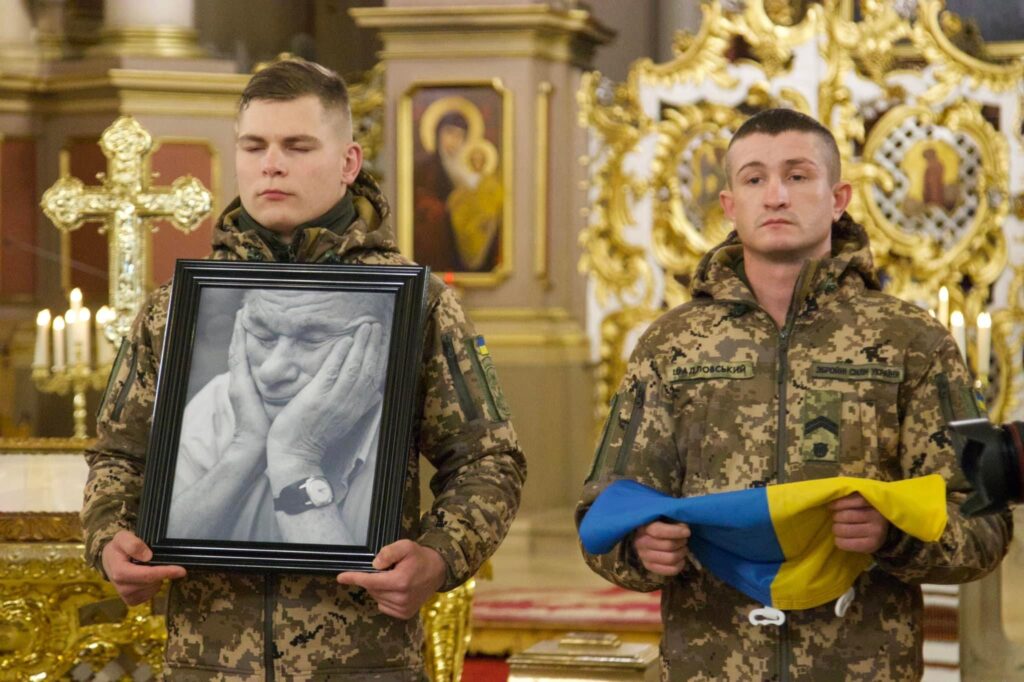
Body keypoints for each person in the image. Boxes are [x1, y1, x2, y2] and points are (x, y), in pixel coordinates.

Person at [81, 58, 526, 680]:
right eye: (254, 146)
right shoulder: (174, 308)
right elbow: (118, 456)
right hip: (209, 659)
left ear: (349, 162)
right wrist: (111, 538)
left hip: (360, 659)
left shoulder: (416, 304)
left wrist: (437, 557)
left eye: (297, 146)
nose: (272, 164)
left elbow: (488, 459)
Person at [576, 108, 1011, 680]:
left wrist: (894, 535)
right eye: (754, 178)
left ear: (838, 198)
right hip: (712, 667)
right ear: (730, 204)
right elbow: (604, 512)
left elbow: (985, 523)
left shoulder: (911, 341)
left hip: (860, 666)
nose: (776, 195)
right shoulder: (673, 345)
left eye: (798, 175)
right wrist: (639, 549)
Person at [167, 289, 392, 545]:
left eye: (312, 340)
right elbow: (157, 558)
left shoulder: (412, 428)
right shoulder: (223, 398)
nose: (270, 371)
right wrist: (245, 446)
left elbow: (347, 575)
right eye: (264, 336)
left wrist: (296, 458)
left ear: (382, 344)